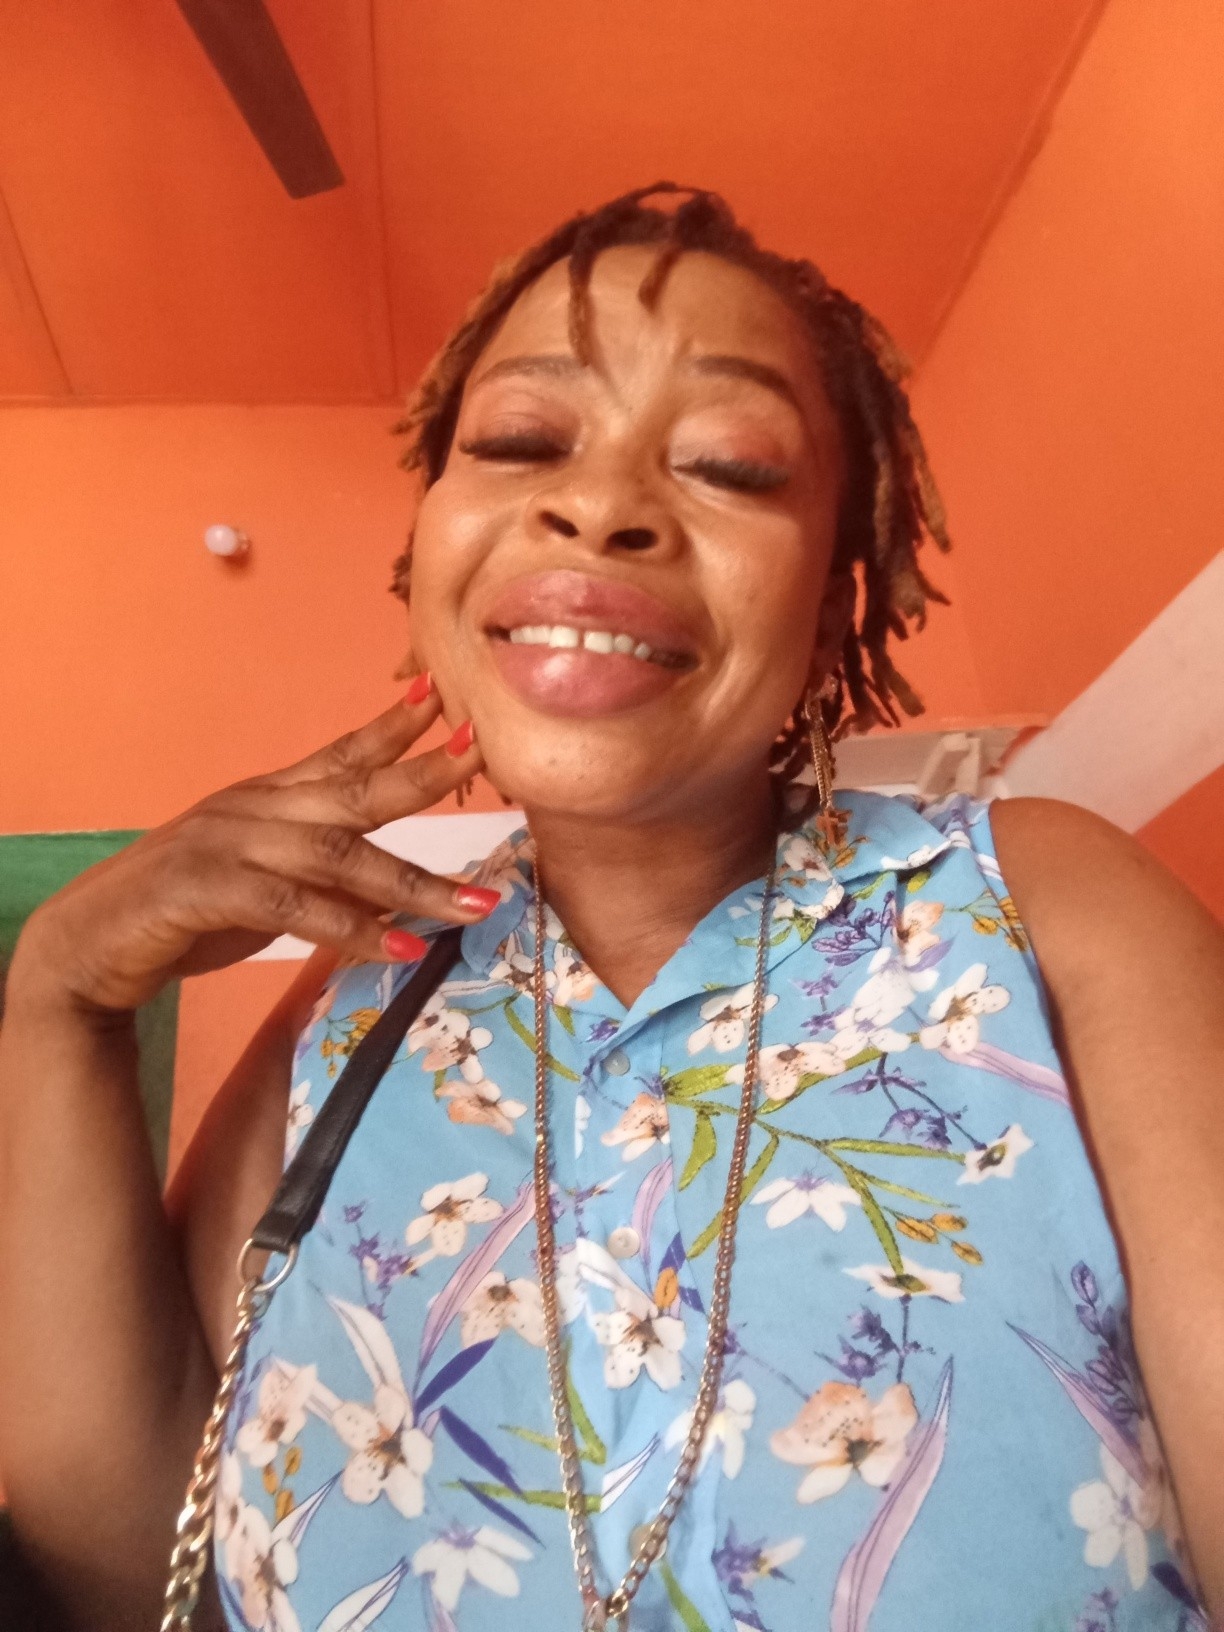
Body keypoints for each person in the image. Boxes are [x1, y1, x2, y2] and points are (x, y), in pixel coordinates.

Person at [0, 184, 1219, 1632]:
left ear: (833, 608)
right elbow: (128, 1574)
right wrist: (60, 996)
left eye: (729, 464)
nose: (598, 505)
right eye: (521, 441)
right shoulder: (352, 1019)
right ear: (429, 556)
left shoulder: (1045, 908)